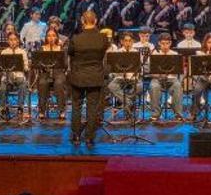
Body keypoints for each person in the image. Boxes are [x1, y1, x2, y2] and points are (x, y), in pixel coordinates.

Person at [67, 10, 109, 148]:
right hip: (95, 76)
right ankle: (90, 138)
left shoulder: (75, 38)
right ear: (95, 21)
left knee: (76, 106)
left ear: (82, 21)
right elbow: (102, 54)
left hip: (78, 76)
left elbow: (70, 53)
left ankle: (76, 136)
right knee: (92, 108)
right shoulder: (103, 38)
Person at [0, 31, 31, 123]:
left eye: (15, 39)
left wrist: (25, 67)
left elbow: (26, 66)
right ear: (8, 41)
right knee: (2, 88)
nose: (13, 42)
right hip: (7, 78)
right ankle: (2, 108)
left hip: (19, 77)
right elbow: (1, 67)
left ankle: (20, 107)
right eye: (11, 40)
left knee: (23, 83)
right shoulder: (4, 52)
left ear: (18, 41)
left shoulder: (22, 52)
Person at [148, 31, 184, 121]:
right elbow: (150, 72)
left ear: (170, 43)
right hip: (157, 78)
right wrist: (158, 75)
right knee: (153, 86)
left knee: (178, 86)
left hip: (171, 79)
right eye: (163, 43)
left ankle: (178, 114)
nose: (165, 46)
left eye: (167, 43)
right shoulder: (154, 54)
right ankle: (155, 114)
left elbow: (178, 72)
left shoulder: (175, 55)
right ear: (159, 43)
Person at [107, 31, 142, 121]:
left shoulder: (137, 53)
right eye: (126, 41)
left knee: (139, 86)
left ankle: (126, 105)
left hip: (133, 78)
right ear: (122, 42)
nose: (128, 43)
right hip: (120, 77)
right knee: (111, 86)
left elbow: (140, 69)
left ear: (132, 42)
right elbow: (113, 70)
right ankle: (129, 103)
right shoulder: (117, 53)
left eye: (130, 41)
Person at [35, 27, 68, 121]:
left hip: (58, 72)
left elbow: (65, 65)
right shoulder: (42, 48)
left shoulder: (61, 48)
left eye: (53, 35)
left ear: (57, 37)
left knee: (59, 83)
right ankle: (42, 110)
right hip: (45, 72)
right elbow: (38, 64)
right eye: (49, 36)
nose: (51, 38)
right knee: (42, 83)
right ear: (46, 37)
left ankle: (61, 110)